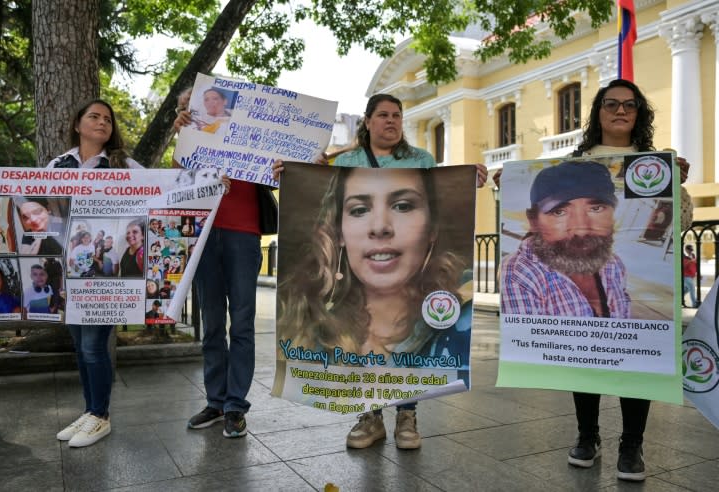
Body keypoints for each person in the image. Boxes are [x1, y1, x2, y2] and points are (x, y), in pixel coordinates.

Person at [495, 79, 691, 482]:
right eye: (611, 104)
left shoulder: (656, 162)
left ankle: (632, 445)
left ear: (639, 113)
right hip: (571, 324)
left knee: (639, 361)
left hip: (623, 312)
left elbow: (682, 221)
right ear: (598, 111)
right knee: (579, 356)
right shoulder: (576, 160)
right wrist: (508, 187)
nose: (620, 111)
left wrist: (679, 187)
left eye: (630, 105)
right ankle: (587, 435)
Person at [273, 93, 487, 450]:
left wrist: (469, 177)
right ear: (368, 122)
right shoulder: (348, 160)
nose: (391, 121)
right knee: (360, 334)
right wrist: (294, 173)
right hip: (354, 292)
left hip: (417, 289)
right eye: (383, 115)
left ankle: (407, 415)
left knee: (411, 335)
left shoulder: (421, 160)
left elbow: (442, 190)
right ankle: (369, 416)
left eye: (397, 115)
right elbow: (315, 186)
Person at [174, 95, 273, 439]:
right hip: (203, 233)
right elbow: (174, 185)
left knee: (242, 322)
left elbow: (275, 169)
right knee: (212, 323)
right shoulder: (186, 139)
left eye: (203, 99)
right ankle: (216, 402)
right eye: (186, 105)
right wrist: (182, 139)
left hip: (244, 235)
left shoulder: (250, 133)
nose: (197, 107)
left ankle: (235, 406)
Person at [47, 99, 142, 448]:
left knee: (92, 344)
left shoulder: (123, 164)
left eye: (107, 119)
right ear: (77, 124)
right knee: (78, 343)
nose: (102, 122)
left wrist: (207, 183)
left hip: (105, 274)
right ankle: (91, 412)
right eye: (94, 116)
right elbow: (41, 207)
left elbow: (165, 188)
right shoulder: (58, 165)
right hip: (68, 271)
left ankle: (100, 416)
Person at [500, 161, 630, 317]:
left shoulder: (614, 265)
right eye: (559, 212)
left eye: (596, 209)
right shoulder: (519, 275)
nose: (581, 230)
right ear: (534, 221)